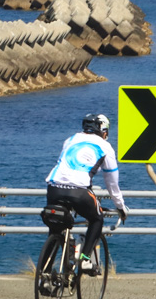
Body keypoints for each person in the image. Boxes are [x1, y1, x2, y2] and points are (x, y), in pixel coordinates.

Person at [45, 113, 127, 271]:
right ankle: (85, 259)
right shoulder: (105, 147)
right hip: (79, 191)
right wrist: (120, 206)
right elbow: (111, 181)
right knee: (97, 219)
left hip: (54, 187)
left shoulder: (70, 139)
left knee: (55, 228)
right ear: (104, 131)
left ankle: (45, 275)